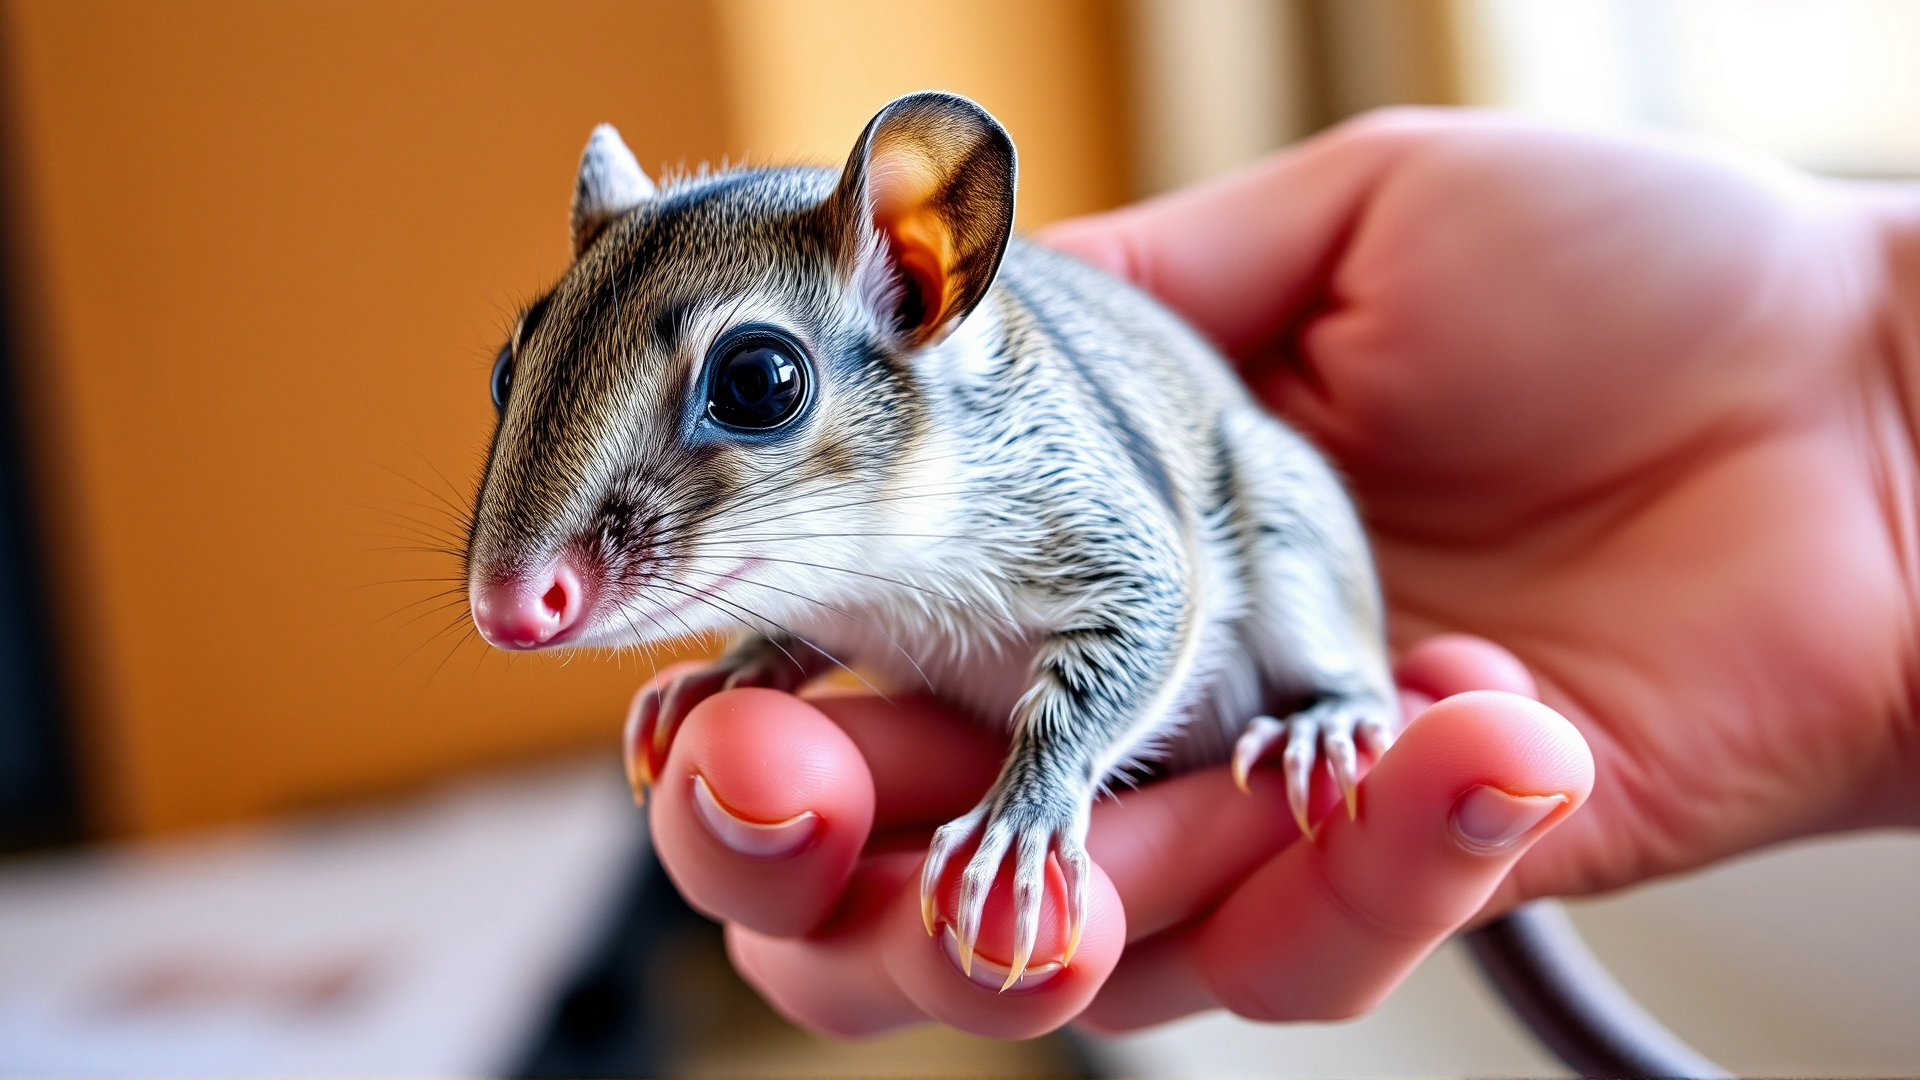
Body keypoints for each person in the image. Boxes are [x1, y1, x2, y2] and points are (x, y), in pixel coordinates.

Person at [637, 108, 1920, 1040]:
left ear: (921, 279)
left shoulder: (989, 454)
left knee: (1272, 501)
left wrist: (1046, 788)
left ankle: (1346, 688)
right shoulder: (854, 510)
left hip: (1252, 613)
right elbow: (849, 579)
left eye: (755, 386)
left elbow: (1147, 596)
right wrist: (766, 656)